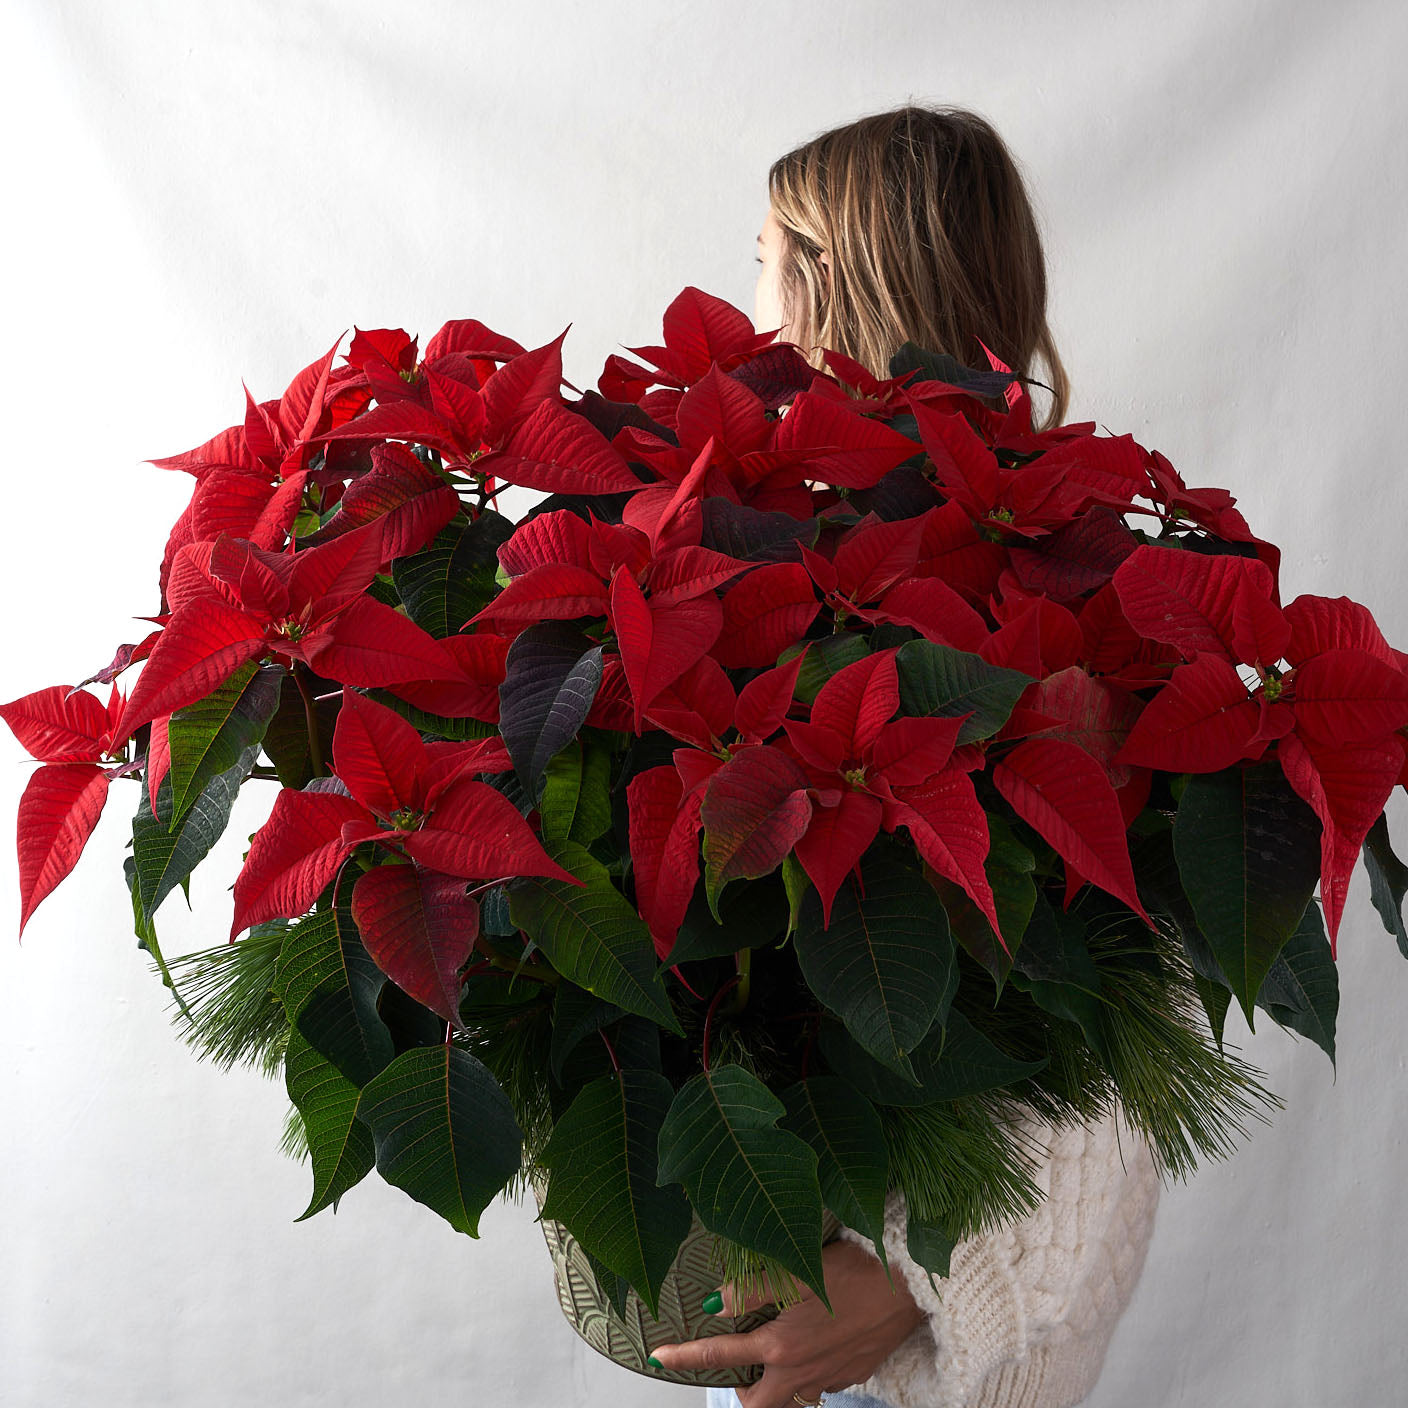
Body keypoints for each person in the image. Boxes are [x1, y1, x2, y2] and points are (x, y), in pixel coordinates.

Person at [641, 105, 1163, 1408]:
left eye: (761, 255)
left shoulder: (1066, 604)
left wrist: (909, 1290)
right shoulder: (747, 543)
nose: (747, 298)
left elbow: (1116, 1036)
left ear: (822, 277)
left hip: (940, 1353)